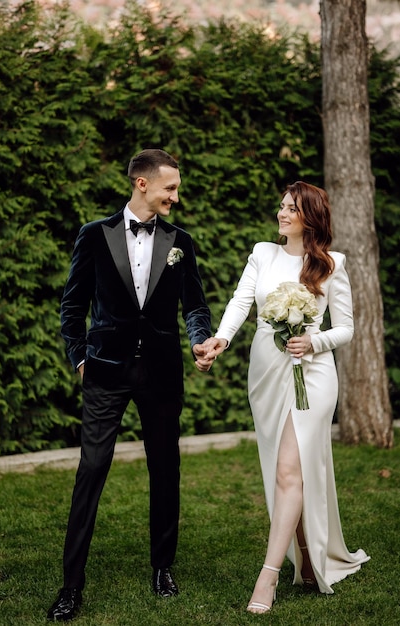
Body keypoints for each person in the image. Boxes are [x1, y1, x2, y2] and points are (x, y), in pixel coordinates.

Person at [47, 149, 213, 622]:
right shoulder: (93, 235)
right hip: (105, 371)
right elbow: (72, 305)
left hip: (161, 374)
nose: (175, 197)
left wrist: (200, 341)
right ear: (143, 184)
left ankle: (163, 567)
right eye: (171, 188)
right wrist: (80, 358)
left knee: (165, 471)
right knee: (91, 471)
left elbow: (195, 307)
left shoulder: (181, 241)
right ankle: (71, 586)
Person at [201, 181, 369, 614]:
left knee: (290, 469)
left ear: (310, 216)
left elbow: (346, 328)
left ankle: (268, 576)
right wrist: (220, 338)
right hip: (267, 370)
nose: (282, 214)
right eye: (281, 206)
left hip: (312, 374)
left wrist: (313, 343)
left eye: (291, 208)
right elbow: (241, 301)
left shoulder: (333, 265)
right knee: (279, 469)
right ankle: (309, 557)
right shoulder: (263, 252)